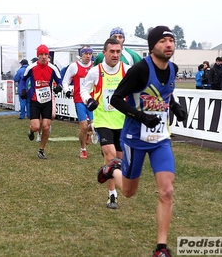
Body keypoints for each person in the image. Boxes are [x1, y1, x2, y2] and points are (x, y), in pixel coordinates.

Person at [99, 26, 187, 257]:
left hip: (160, 140)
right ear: (152, 46)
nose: (168, 45)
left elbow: (166, 93)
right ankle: (112, 169)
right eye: (163, 41)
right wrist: (140, 116)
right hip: (135, 139)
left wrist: (175, 107)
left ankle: (161, 248)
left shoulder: (173, 69)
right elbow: (117, 99)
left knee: (166, 191)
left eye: (171, 40)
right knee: (128, 192)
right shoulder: (139, 70)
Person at [80, 38, 131, 209]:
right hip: (103, 119)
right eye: (112, 51)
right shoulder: (96, 71)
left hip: (122, 120)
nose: (115, 55)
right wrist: (89, 100)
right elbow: (83, 89)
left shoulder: (127, 70)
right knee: (110, 155)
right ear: (104, 53)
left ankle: (107, 174)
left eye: (118, 51)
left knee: (118, 160)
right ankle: (112, 195)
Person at [20, 44, 62, 159]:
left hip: (47, 101)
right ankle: (31, 130)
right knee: (35, 126)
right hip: (34, 100)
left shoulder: (53, 68)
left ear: (48, 55)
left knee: (46, 127)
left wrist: (59, 87)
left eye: (46, 54)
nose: (44, 57)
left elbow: (60, 81)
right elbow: (23, 79)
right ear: (37, 56)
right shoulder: (31, 67)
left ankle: (41, 150)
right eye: (41, 54)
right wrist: (23, 90)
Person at [63, 45, 96, 159]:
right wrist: (67, 90)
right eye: (85, 53)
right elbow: (65, 81)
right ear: (81, 55)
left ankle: (87, 133)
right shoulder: (74, 66)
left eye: (90, 53)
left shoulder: (95, 66)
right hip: (79, 100)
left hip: (92, 100)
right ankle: (83, 149)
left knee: (94, 125)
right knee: (83, 126)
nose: (88, 56)